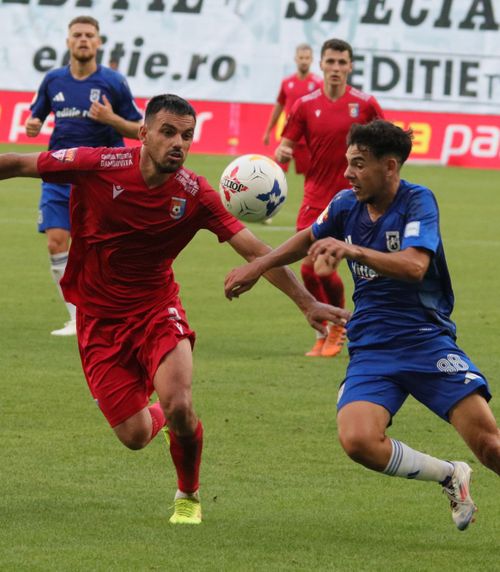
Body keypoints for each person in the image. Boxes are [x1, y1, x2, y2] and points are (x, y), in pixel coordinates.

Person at [0, 94, 349, 525]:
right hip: (98, 319)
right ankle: (161, 416)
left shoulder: (195, 194)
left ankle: (188, 495)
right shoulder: (98, 164)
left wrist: (307, 302)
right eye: (167, 132)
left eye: (187, 135)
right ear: (143, 134)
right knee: (134, 435)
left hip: (156, 310)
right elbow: (17, 163)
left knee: (181, 404)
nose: (178, 143)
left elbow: (255, 249)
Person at [225, 120, 500, 531]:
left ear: (389, 167)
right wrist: (260, 264)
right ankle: (448, 474)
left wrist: (351, 248)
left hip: (426, 341)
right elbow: (307, 237)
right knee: (358, 441)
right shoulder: (344, 205)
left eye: (358, 164)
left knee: (490, 446)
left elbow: (414, 266)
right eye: (347, 163)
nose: (348, 173)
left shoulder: (418, 201)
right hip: (372, 346)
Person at [25, 15, 142, 336]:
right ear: (68, 42)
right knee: (56, 242)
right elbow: (34, 118)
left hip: (101, 178)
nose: (83, 40)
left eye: (90, 35)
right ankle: (76, 318)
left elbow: (140, 129)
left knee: (100, 249)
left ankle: (114, 313)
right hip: (59, 173)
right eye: (77, 35)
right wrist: (32, 126)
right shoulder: (53, 80)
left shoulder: (113, 82)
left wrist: (110, 119)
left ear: (99, 42)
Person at [276, 38, 384, 358]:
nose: (336, 68)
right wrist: (282, 151)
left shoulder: (365, 105)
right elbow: (286, 144)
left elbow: (386, 143)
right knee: (309, 270)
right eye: (331, 62)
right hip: (314, 198)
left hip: (351, 200)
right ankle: (331, 326)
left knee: (321, 266)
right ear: (321, 65)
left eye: (342, 62)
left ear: (350, 66)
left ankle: (337, 328)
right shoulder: (305, 104)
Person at [262, 43, 322, 176]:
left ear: (312, 60)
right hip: (288, 136)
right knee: (274, 173)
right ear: (296, 59)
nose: (304, 61)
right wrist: (268, 130)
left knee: (311, 175)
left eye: (307, 58)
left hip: (307, 138)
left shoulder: (318, 83)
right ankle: (271, 196)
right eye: (301, 58)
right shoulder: (286, 82)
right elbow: (279, 106)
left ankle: (309, 197)